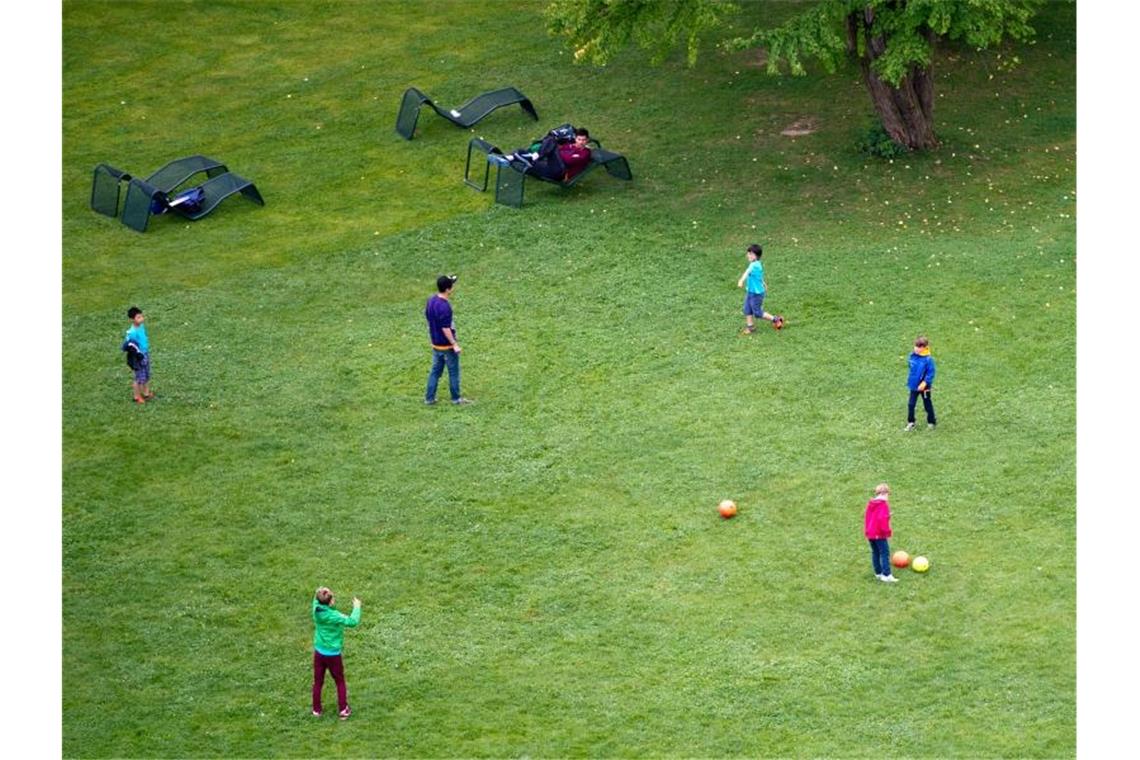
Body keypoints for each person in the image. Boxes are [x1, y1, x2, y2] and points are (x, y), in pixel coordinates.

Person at [311, 587, 362, 719]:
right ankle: (343, 710)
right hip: (333, 655)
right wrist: (357, 607)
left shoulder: (315, 607)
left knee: (318, 682)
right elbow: (352, 621)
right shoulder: (334, 616)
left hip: (319, 652)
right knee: (340, 681)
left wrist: (323, 591)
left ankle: (316, 710)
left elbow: (318, 593)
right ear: (329, 602)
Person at [425, 274, 471, 405]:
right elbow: (446, 328)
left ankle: (429, 399)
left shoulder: (431, 301)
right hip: (447, 346)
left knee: (435, 372)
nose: (453, 286)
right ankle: (456, 399)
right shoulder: (445, 307)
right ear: (447, 289)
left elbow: (428, 318)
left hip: (436, 344)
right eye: (452, 284)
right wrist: (454, 344)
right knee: (453, 372)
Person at [504, 126, 591, 182]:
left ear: (587, 140)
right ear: (575, 139)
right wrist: (556, 152)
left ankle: (534, 156)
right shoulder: (570, 145)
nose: (581, 142)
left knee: (551, 141)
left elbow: (567, 160)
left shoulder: (585, 153)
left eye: (583, 140)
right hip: (550, 166)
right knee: (521, 151)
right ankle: (509, 158)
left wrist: (555, 152)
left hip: (560, 173)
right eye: (579, 139)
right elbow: (561, 154)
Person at [736, 244, 785, 334]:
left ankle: (776, 319)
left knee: (757, 313)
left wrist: (741, 280)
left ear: (756, 256)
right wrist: (763, 282)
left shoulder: (754, 265)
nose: (748, 255)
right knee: (747, 309)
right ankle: (750, 327)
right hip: (750, 291)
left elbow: (747, 272)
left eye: (751, 254)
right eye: (748, 253)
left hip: (757, 294)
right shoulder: (756, 264)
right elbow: (759, 275)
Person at [864, 483, 898, 583]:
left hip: (871, 533)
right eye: (888, 494)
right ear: (885, 493)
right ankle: (887, 575)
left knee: (875, 552)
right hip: (879, 533)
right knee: (884, 553)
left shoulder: (871, 504)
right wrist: (887, 531)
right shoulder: (883, 504)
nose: (888, 497)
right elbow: (881, 520)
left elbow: (869, 518)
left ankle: (878, 573)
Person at [122, 306, 153, 404]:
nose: (142, 319)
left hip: (145, 353)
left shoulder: (141, 326)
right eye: (138, 317)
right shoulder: (132, 333)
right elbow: (129, 346)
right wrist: (138, 355)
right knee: (139, 378)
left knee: (146, 374)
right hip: (138, 357)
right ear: (132, 319)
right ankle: (137, 396)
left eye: (141, 316)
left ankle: (146, 393)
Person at [905, 335, 937, 431]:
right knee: (911, 404)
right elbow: (911, 368)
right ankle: (911, 422)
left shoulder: (928, 360)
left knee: (927, 403)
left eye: (919, 347)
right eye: (915, 346)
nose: (916, 348)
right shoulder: (912, 356)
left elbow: (931, 372)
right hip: (914, 386)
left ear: (924, 348)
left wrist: (925, 382)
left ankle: (931, 422)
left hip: (924, 387)